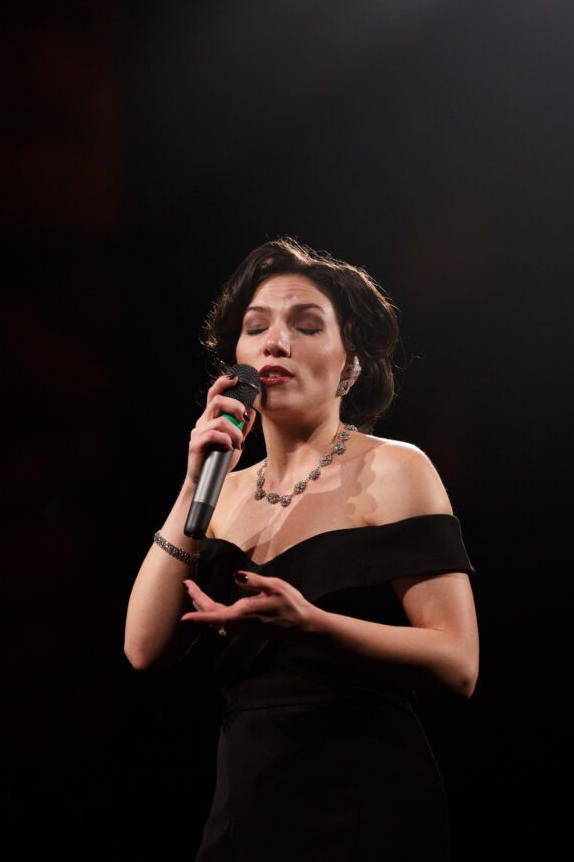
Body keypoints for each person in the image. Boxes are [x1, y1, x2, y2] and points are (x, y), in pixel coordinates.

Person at [124, 237, 479, 861]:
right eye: (256, 328)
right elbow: (143, 649)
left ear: (351, 366)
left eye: (306, 326)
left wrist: (310, 623)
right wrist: (192, 483)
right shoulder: (220, 491)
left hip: (362, 799)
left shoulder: (396, 469)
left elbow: (458, 663)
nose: (275, 343)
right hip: (246, 806)